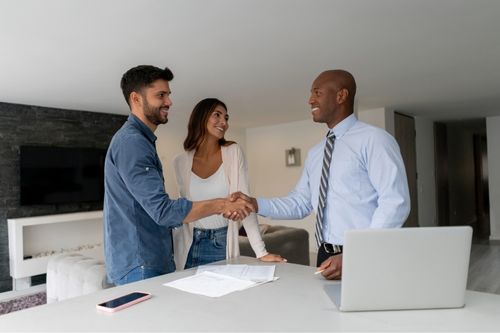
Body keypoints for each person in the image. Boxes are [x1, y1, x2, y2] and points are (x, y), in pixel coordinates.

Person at [232, 69, 410, 280]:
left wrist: (357, 253)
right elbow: (300, 203)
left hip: (364, 253)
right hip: (325, 254)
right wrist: (255, 203)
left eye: (317, 92)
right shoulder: (317, 153)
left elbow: (395, 202)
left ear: (341, 96)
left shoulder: (375, 140)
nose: (310, 100)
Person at [104, 65, 253, 286]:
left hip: (150, 260)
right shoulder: (133, 143)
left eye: (169, 95)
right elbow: (163, 212)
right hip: (141, 265)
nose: (169, 102)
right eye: (160, 95)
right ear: (136, 99)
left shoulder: (141, 141)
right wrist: (222, 205)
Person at [172, 98, 285, 269]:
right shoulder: (179, 162)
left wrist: (261, 252)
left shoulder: (233, 152)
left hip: (221, 244)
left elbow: (244, 204)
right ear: (201, 118)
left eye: (226, 117)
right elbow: (183, 210)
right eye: (217, 115)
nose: (224, 122)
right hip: (187, 245)